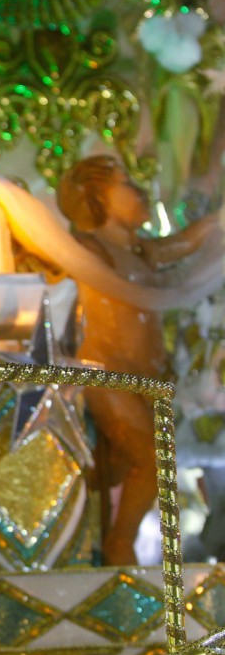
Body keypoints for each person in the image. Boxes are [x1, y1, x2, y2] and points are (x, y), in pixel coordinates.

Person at [58, 154, 219, 565]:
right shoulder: (85, 248)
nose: (140, 190)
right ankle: (119, 547)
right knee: (150, 460)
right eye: (127, 183)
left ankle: (110, 544)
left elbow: (180, 245)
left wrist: (218, 219)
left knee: (140, 466)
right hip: (104, 374)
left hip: (146, 377)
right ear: (96, 198)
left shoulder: (139, 250)